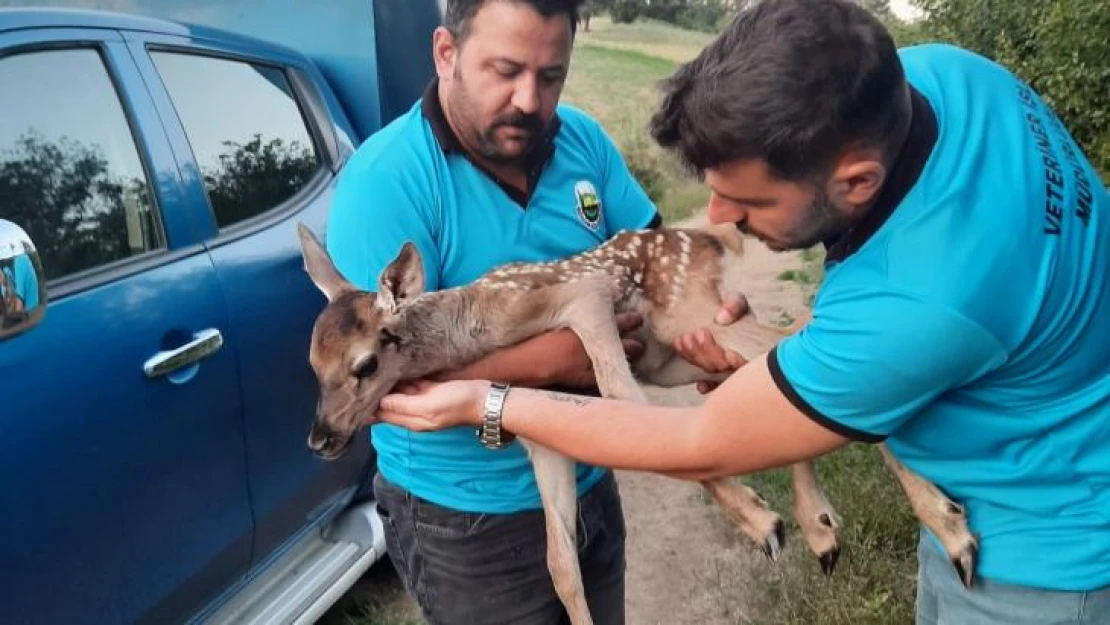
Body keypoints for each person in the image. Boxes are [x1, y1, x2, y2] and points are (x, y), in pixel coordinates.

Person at [375, 0, 1110, 623]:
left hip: (1043, 553)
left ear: (856, 180)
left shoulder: (922, 299)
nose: (719, 220)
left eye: (751, 203)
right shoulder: (949, 81)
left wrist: (490, 398)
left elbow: (703, 439)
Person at [324, 1, 674, 623]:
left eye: (550, 75)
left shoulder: (582, 140)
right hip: (467, 520)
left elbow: (655, 252)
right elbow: (389, 384)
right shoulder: (386, 184)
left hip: (588, 477)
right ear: (445, 53)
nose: (528, 101)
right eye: (505, 71)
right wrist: (566, 357)